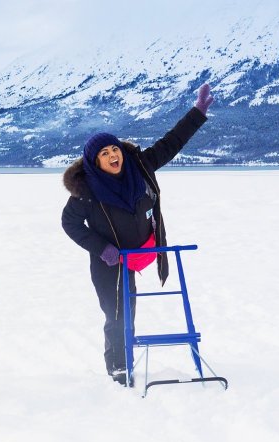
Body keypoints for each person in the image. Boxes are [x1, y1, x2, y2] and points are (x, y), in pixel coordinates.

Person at [61, 84, 214, 385]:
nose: (113, 155)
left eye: (114, 148)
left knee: (130, 311)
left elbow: (171, 143)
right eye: (104, 153)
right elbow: (70, 224)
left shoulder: (140, 167)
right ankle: (118, 365)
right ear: (96, 163)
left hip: (145, 248)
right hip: (111, 260)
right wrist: (102, 248)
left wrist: (197, 114)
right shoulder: (86, 192)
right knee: (118, 314)